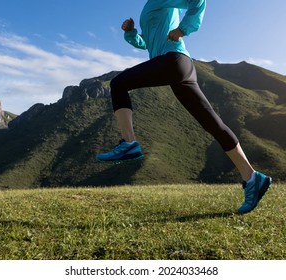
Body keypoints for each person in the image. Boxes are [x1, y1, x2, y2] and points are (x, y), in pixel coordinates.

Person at [95, 0, 271, 214]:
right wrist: (131, 33)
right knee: (213, 123)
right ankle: (252, 177)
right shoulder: (152, 6)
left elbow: (198, 1)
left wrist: (182, 29)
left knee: (118, 84)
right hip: (178, 66)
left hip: (173, 61)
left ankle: (129, 143)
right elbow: (148, 43)